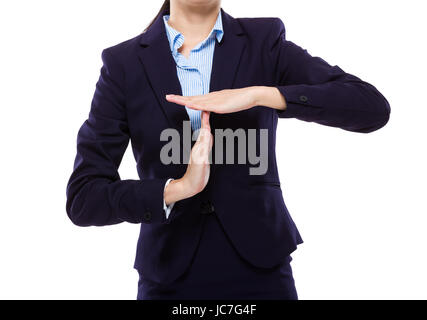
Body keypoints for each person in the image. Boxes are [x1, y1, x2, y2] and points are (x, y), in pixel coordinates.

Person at [66, 0, 390, 300]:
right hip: (169, 278)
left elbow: (371, 108)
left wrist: (261, 95)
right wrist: (176, 189)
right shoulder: (123, 64)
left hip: (261, 272)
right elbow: (84, 197)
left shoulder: (263, 43)